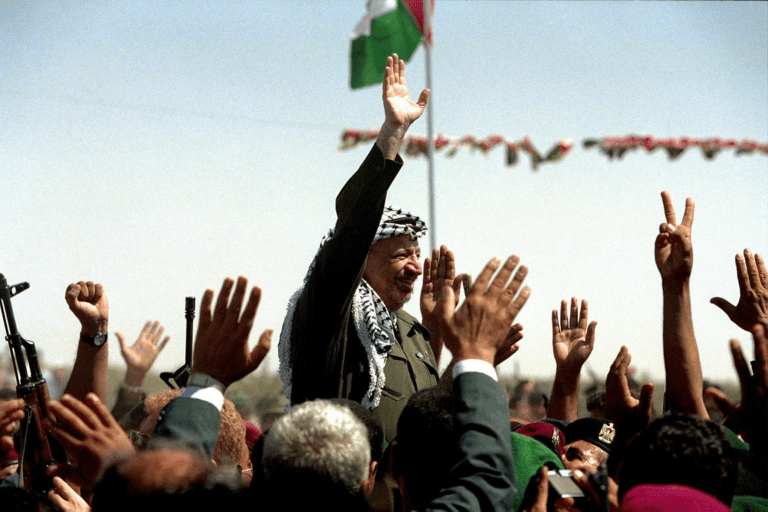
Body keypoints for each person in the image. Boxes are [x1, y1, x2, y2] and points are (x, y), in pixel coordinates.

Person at [278, 54, 461, 442]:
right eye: (400, 255)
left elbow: (423, 418)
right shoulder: (332, 312)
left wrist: (452, 341)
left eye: (416, 254)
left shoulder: (411, 331)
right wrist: (392, 135)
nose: (415, 267)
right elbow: (352, 229)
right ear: (361, 259)